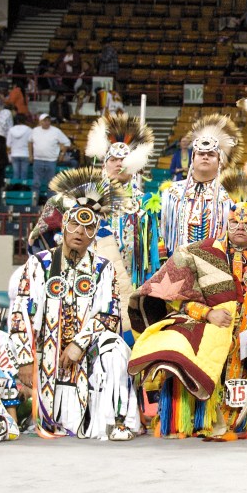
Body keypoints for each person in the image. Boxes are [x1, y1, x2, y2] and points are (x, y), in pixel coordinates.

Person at [129, 163, 247, 439]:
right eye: (234, 222)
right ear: (226, 222)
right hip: (209, 332)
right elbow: (170, 300)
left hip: (246, 343)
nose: (239, 228)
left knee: (240, 422)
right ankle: (195, 418)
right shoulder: (200, 252)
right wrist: (206, 313)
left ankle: (236, 415)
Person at [5, 168, 140, 440]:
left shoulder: (103, 268)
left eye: (89, 227)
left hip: (85, 355)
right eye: (75, 224)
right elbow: (19, 314)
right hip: (43, 352)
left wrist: (79, 344)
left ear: (95, 234)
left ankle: (119, 421)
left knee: (115, 349)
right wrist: (24, 359)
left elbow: (109, 316)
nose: (80, 232)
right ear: (64, 225)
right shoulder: (38, 264)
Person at [82, 112, 161, 338]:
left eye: (123, 160)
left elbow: (152, 252)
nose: (119, 164)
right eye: (113, 160)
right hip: (94, 279)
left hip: (133, 282)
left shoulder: (145, 204)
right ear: (104, 163)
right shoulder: (87, 199)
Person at [159, 113, 240, 257]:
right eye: (200, 153)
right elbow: (162, 234)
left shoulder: (229, 196)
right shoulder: (172, 193)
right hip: (177, 266)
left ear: (219, 161)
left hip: (215, 267)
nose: (205, 156)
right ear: (193, 158)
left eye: (211, 154)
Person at [29, 114, 71, 202]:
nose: (47, 122)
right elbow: (30, 142)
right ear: (40, 121)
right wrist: (30, 155)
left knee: (51, 185)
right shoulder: (35, 130)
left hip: (51, 161)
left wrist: (62, 155)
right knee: (36, 183)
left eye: (48, 120)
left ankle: (50, 205)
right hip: (38, 160)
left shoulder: (56, 131)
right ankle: (33, 203)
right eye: (44, 120)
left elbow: (67, 142)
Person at [6, 115, 32, 182]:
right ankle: (23, 189)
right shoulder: (29, 130)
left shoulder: (11, 130)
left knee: (16, 174)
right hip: (25, 154)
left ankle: (15, 189)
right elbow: (31, 143)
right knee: (24, 174)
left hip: (14, 154)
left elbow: (8, 143)